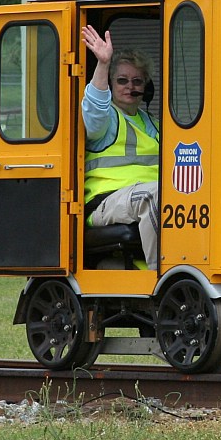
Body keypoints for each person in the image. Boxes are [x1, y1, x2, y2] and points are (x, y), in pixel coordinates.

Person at [80, 24, 160, 269]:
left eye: (137, 81)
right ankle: (165, 277)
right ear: (111, 84)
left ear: (146, 88)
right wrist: (103, 64)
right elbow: (94, 113)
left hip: (143, 198)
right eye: (122, 80)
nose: (130, 86)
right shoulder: (107, 121)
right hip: (106, 201)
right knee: (156, 195)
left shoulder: (154, 125)